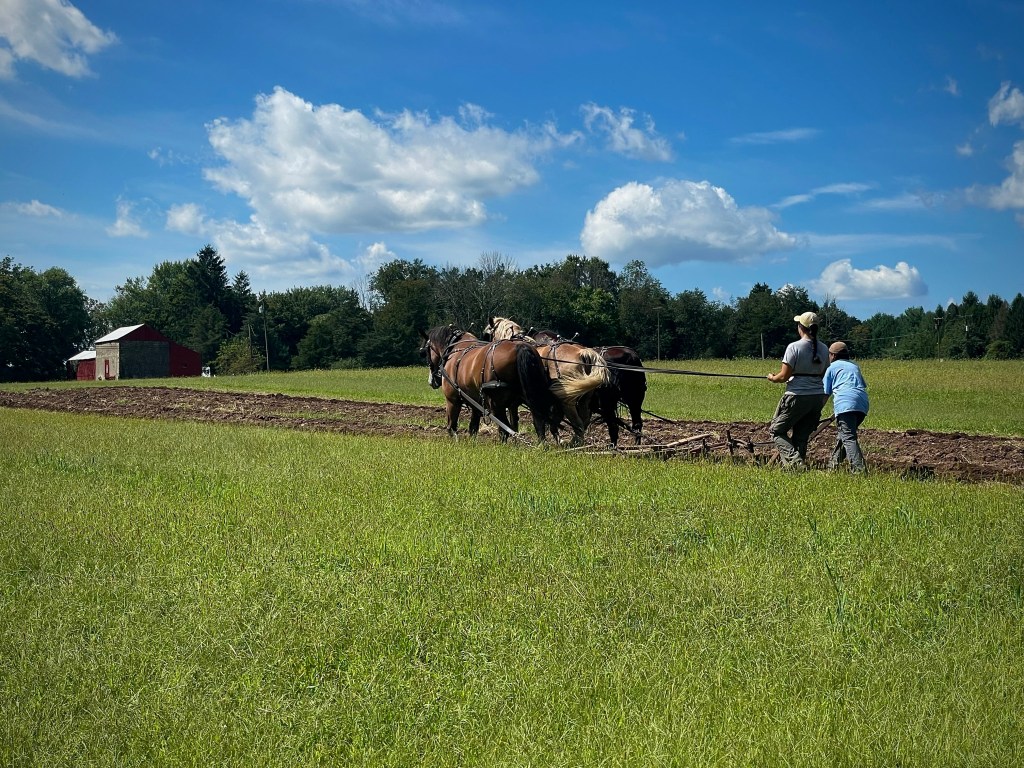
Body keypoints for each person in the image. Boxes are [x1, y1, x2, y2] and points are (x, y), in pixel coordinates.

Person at [766, 311, 830, 470]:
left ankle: (795, 463)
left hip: (797, 395)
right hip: (816, 397)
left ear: (801, 327)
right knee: (801, 436)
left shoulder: (793, 347)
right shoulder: (824, 348)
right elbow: (823, 374)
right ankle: (796, 470)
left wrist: (772, 378)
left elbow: (784, 375)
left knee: (776, 431)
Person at [823, 341, 869, 473]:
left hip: (845, 403)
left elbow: (825, 393)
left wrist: (815, 411)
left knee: (848, 437)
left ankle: (859, 471)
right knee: (844, 436)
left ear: (832, 355)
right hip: (862, 404)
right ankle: (832, 468)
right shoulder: (854, 366)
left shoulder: (831, 368)